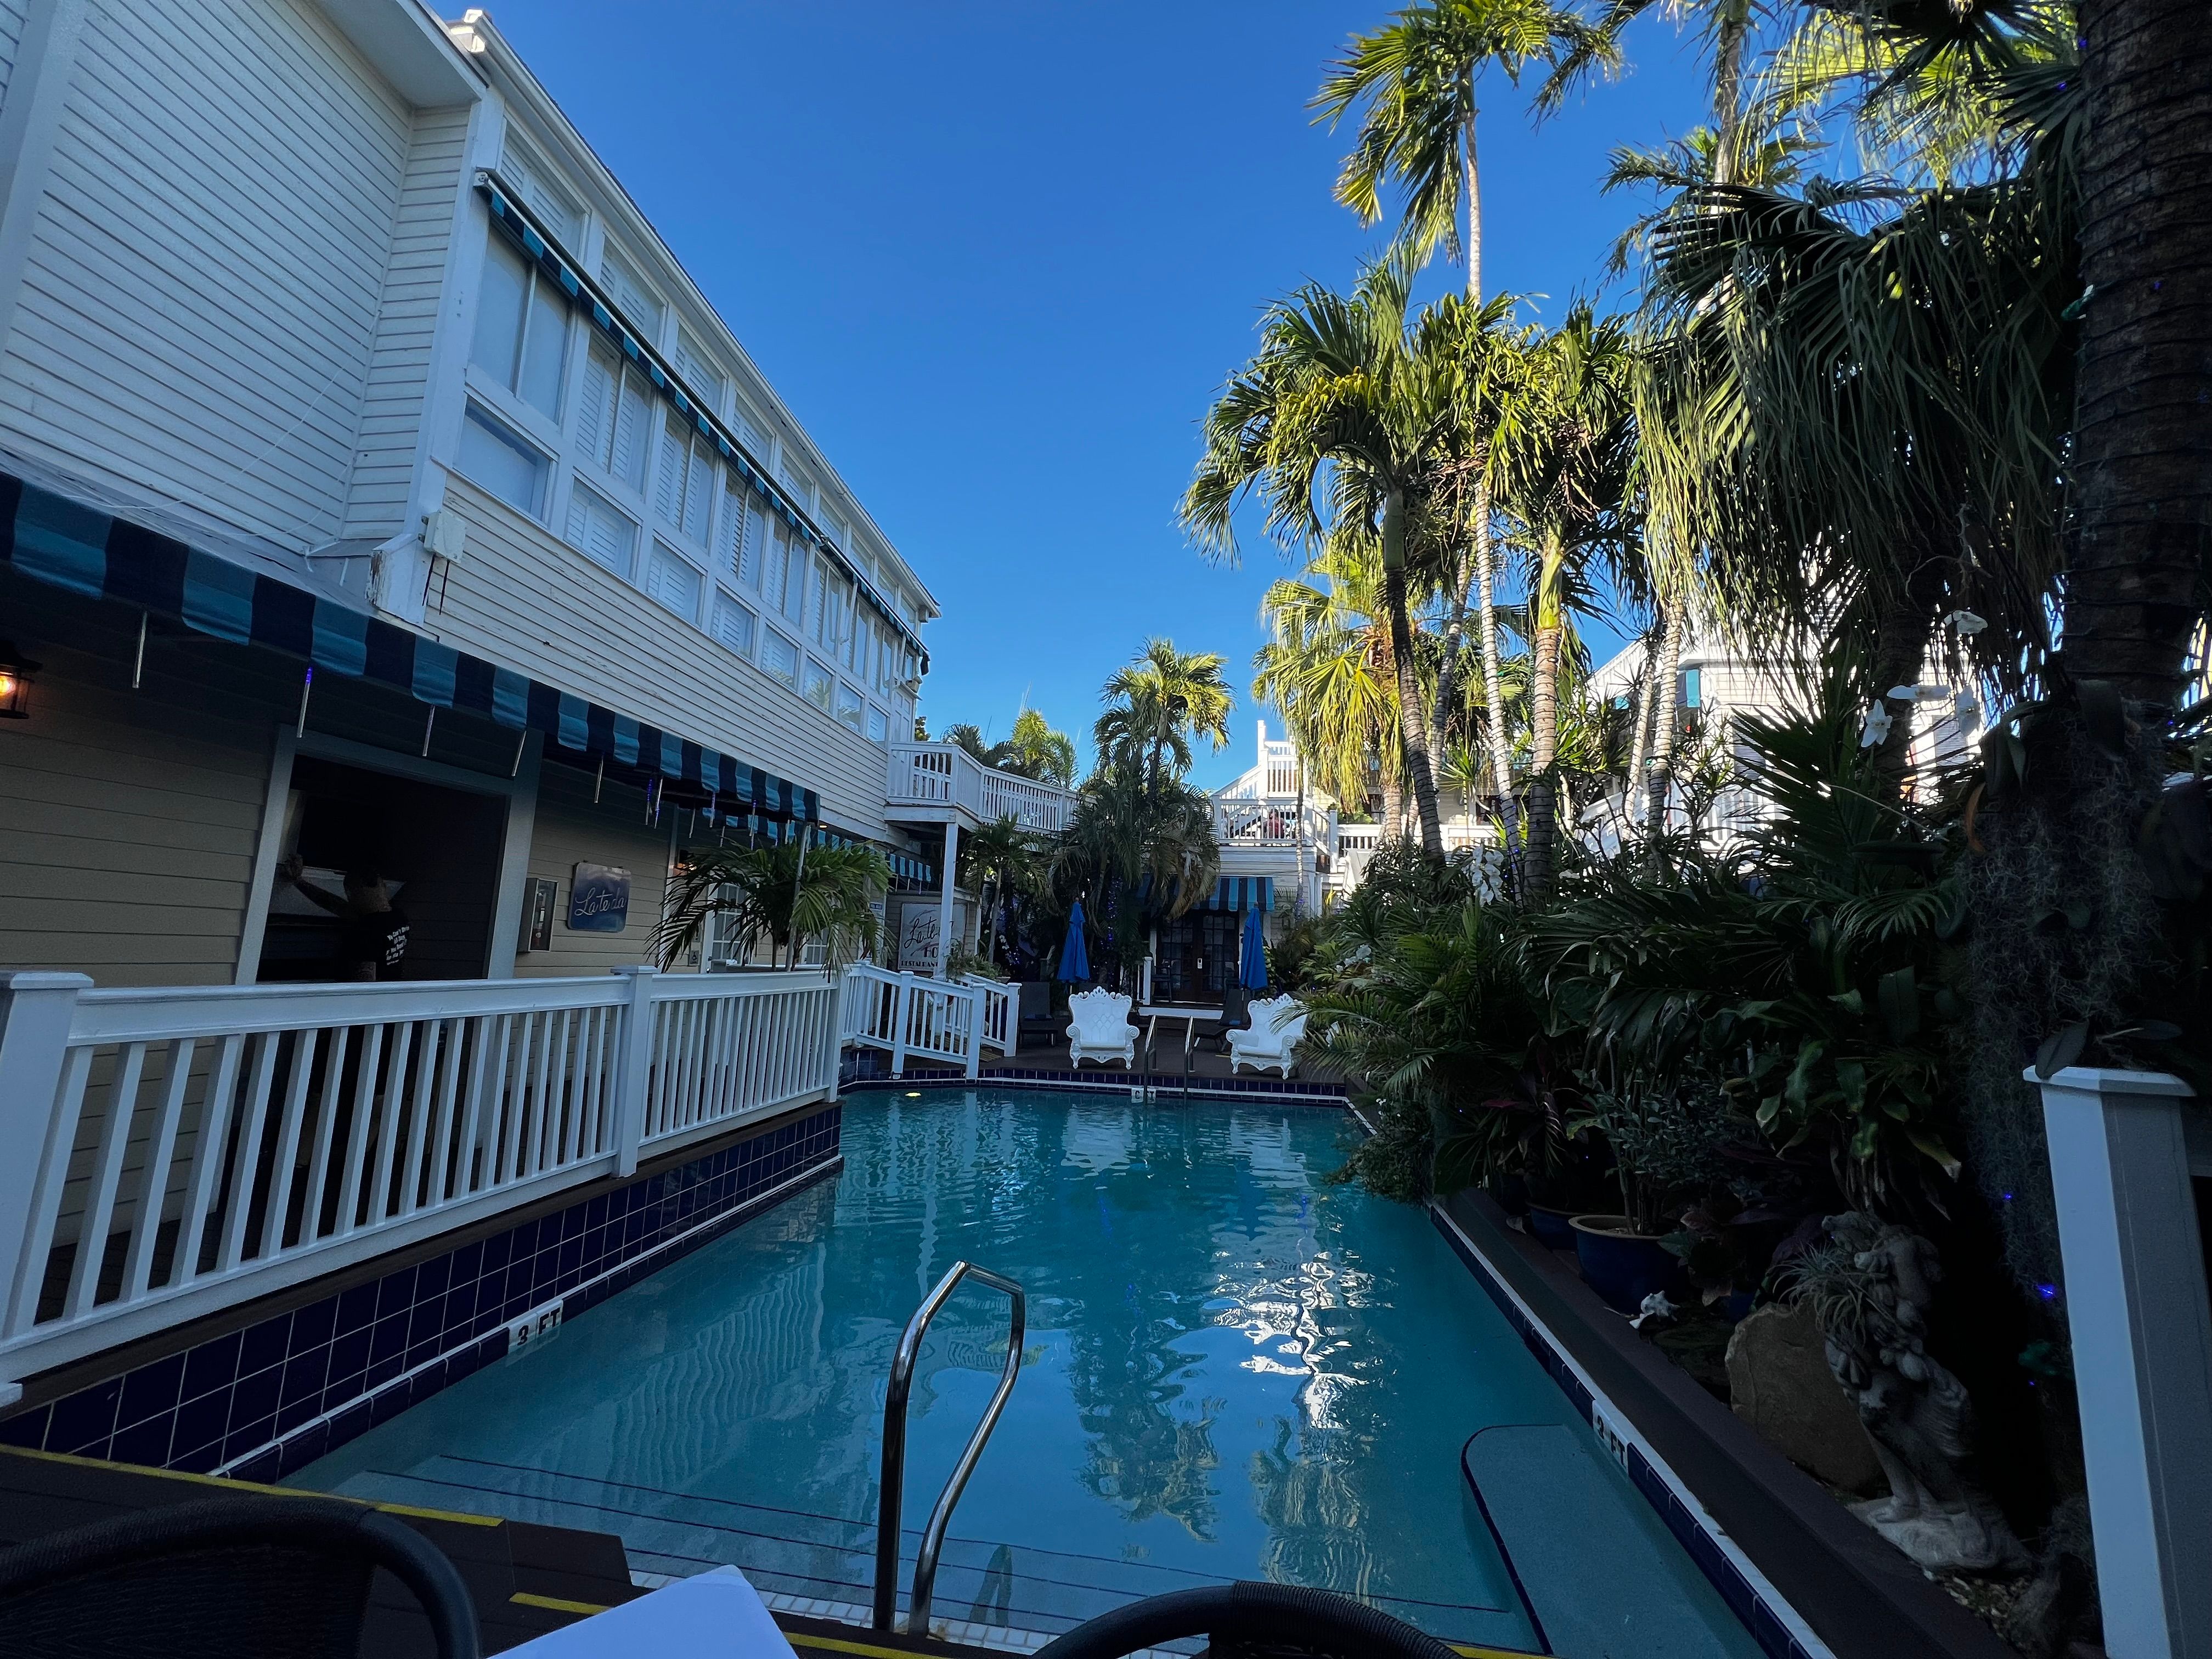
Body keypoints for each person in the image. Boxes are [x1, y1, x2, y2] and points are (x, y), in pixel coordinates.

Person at [277, 855, 411, 980]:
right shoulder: (398, 917)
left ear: (353, 892)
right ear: (384, 887)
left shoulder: (366, 931)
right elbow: (333, 903)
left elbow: (365, 984)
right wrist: (298, 881)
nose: (348, 898)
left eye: (348, 892)